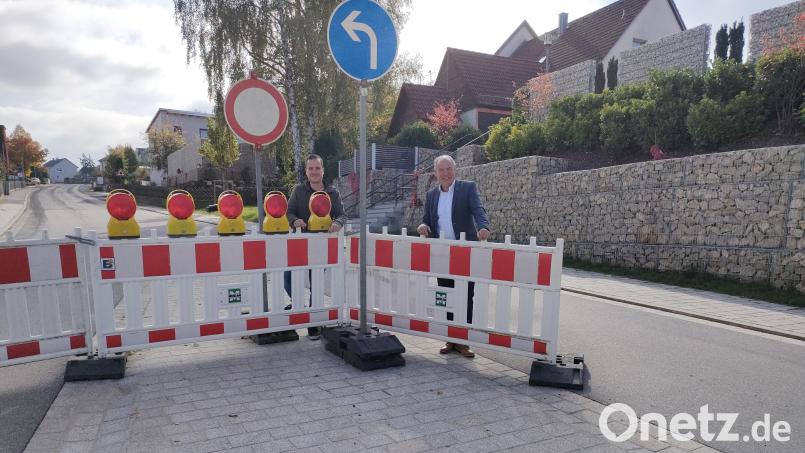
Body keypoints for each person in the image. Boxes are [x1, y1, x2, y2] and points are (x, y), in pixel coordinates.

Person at [417, 154, 490, 358]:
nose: (445, 173)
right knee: (447, 295)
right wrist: (424, 225)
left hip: (465, 252)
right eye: (441, 170)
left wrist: (483, 226)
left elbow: (478, 209)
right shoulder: (432, 195)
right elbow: (427, 220)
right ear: (436, 173)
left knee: (466, 296)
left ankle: (463, 342)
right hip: (443, 254)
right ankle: (451, 339)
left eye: (449, 169)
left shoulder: (467, 188)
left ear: (455, 170)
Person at [284, 154, 346, 340]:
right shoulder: (298, 191)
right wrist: (295, 220)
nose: (314, 172)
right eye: (310, 168)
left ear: (322, 170)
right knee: (288, 277)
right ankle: (299, 307)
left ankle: (313, 323)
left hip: (321, 245)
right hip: (300, 244)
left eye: (317, 168)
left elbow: (342, 214)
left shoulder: (332, 192)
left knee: (316, 282)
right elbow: (289, 211)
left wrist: (337, 223)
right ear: (306, 171)